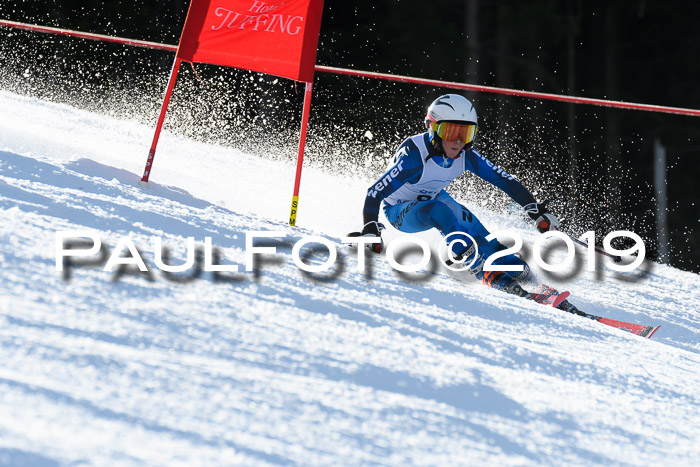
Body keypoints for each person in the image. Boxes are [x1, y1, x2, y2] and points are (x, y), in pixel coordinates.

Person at [353, 93, 561, 297]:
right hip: (399, 210)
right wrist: (369, 227)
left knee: (477, 230)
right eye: (451, 132)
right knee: (441, 210)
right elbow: (375, 191)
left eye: (466, 134)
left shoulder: (466, 155)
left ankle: (527, 279)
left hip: (433, 198)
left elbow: (503, 180)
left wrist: (533, 209)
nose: (458, 142)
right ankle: (482, 270)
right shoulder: (414, 157)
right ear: (433, 129)